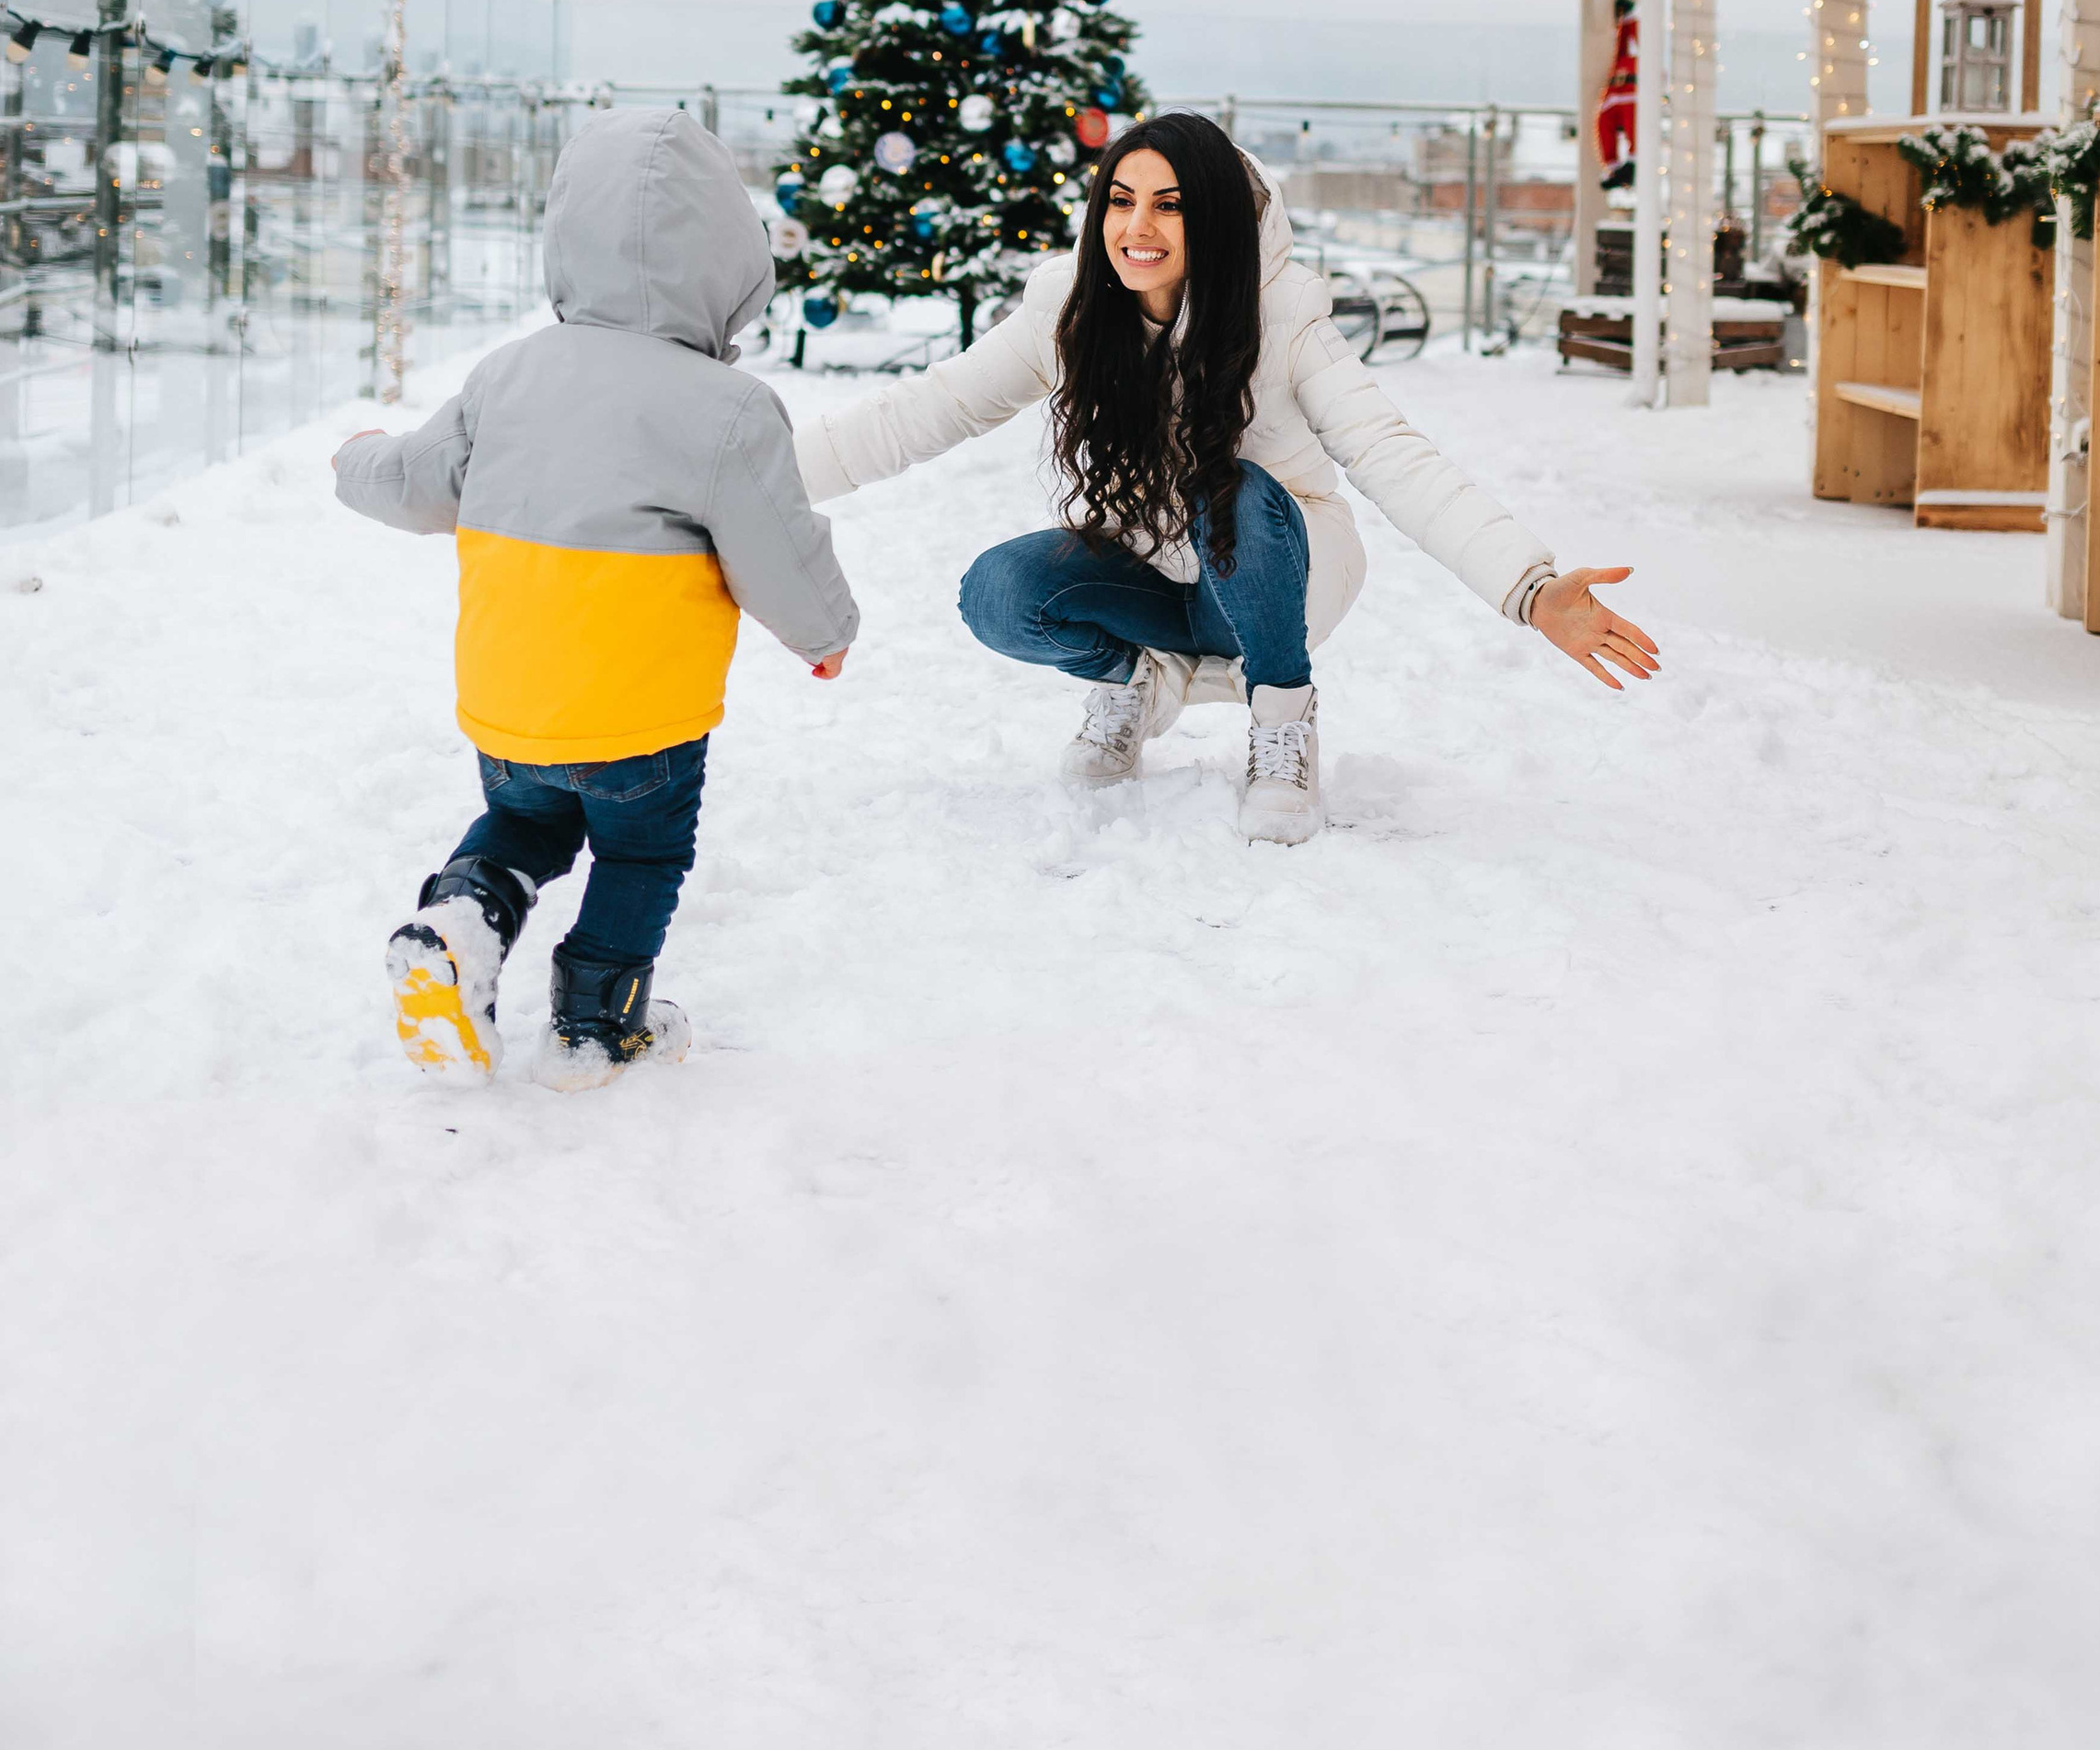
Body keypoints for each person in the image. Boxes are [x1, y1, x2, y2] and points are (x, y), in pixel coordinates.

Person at [796, 111, 1657, 843]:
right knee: (998, 591)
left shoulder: (1285, 315)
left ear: (1212, 220)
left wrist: (1531, 589)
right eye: (1122, 201)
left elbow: (1395, 456)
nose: (1139, 227)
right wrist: (759, 490)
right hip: (1150, 568)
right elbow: (927, 410)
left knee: (1233, 492)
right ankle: (1134, 680)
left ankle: (1282, 722)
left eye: (1170, 206)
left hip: (1277, 566)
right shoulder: (1071, 308)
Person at [334, 108, 856, 1089]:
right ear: (728, 260)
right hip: (641, 719)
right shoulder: (729, 409)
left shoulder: (508, 374)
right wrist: (825, 634)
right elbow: (778, 552)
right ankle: (592, 1024)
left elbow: (415, 483)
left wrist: (356, 462)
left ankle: (457, 926)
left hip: (509, 702)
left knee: (526, 828)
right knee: (641, 856)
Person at [1596, 0, 1639, 187]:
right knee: (1605, 126)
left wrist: (1627, 18)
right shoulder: (1624, 60)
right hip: (1617, 94)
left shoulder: (1637, 60)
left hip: (1627, 95)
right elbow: (1622, 45)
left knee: (1632, 128)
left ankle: (1628, 167)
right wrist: (1626, 18)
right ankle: (1620, 169)